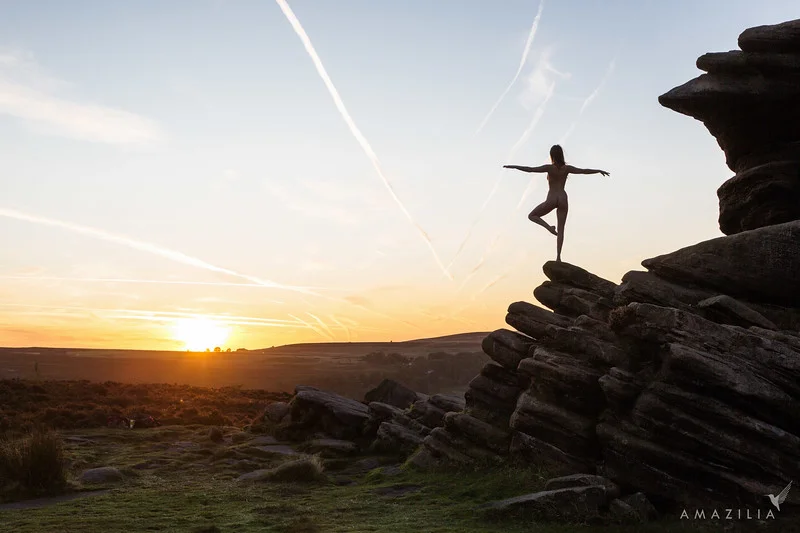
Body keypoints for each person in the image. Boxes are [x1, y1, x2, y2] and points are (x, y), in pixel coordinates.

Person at [503, 144, 609, 262]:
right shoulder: (567, 169)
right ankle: (558, 257)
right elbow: (584, 171)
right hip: (563, 198)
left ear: (552, 155)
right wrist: (598, 171)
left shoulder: (549, 168)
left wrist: (513, 166)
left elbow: (530, 169)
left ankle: (549, 227)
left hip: (552, 198)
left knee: (532, 215)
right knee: (561, 229)